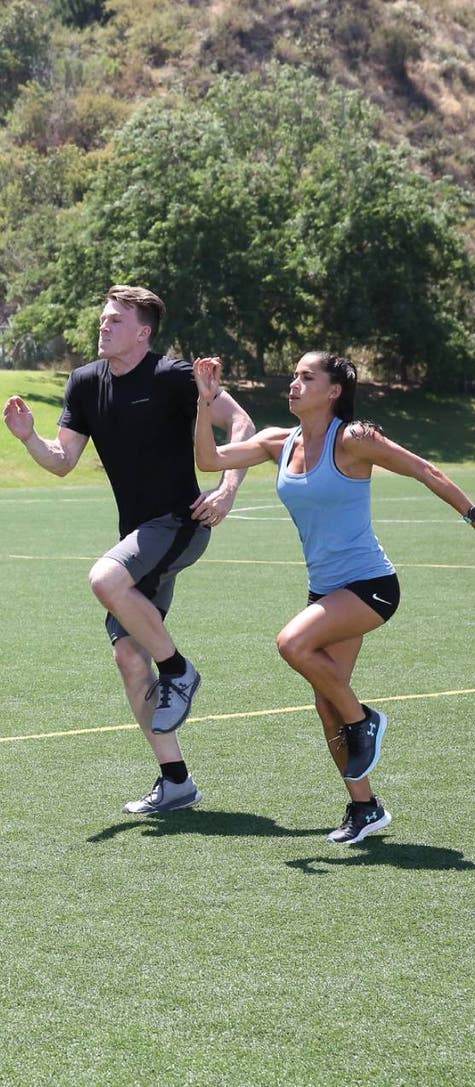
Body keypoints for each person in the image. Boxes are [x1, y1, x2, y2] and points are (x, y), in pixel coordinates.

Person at [192, 352, 475, 845]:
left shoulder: (355, 439)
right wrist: (204, 401)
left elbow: (424, 469)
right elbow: (210, 460)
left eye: (306, 378)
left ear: (333, 390)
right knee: (325, 704)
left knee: (292, 644)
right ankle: (365, 806)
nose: (294, 385)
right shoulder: (280, 441)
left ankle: (365, 720)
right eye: (294, 377)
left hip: (370, 585)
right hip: (326, 589)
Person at [3, 286, 255, 815]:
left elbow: (241, 424)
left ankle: (180, 670)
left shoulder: (174, 376)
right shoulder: (84, 383)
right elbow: (62, 460)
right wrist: (28, 437)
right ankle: (176, 781)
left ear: (143, 331)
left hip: (181, 522)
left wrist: (227, 490)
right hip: (137, 533)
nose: (104, 327)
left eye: (115, 320)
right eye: (102, 319)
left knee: (104, 579)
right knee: (126, 656)